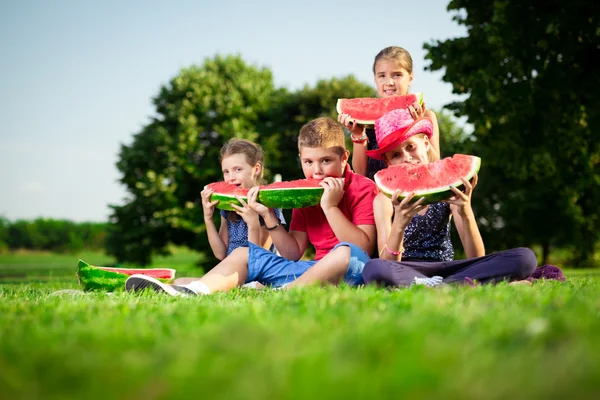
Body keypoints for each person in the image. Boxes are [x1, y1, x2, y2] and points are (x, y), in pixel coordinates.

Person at [125, 117, 378, 296]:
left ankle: (283, 293)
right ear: (300, 159)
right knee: (244, 253)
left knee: (345, 252)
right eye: (309, 162)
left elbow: (363, 248)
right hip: (309, 270)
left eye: (326, 161)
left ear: (344, 158)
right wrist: (269, 216)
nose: (317, 171)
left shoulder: (362, 187)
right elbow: (292, 253)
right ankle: (193, 291)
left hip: (353, 271)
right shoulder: (304, 195)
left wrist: (330, 208)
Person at [361, 109, 537, 287]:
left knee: (524, 258)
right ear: (388, 162)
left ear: (426, 143)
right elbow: (388, 262)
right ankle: (459, 286)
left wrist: (465, 210)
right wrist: (399, 223)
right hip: (406, 268)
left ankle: (436, 286)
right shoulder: (384, 200)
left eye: (411, 147)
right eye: (396, 155)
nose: (406, 157)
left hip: (450, 267)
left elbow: (476, 257)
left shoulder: (448, 189)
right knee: (374, 268)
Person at [338, 45, 441, 181]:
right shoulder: (366, 123)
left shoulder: (427, 116)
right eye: (382, 76)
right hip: (377, 193)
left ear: (410, 77)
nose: (389, 82)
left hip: (416, 188)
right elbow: (361, 172)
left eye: (397, 75)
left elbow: (435, 164)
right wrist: (358, 135)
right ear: (375, 79)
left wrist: (418, 126)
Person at [201, 138, 286, 260]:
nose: (231, 178)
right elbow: (220, 254)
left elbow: (259, 258)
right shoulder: (228, 206)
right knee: (179, 280)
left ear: (256, 169)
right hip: (230, 269)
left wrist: (253, 223)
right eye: (226, 172)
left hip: (256, 273)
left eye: (238, 169)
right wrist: (208, 218)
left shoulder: (267, 206)